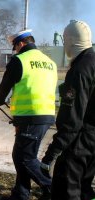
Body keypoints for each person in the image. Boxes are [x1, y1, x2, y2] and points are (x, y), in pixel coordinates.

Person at [0, 29, 58, 200]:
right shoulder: (50, 62)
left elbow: (5, 85)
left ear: (20, 44)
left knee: (25, 158)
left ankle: (51, 188)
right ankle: (20, 194)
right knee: (22, 156)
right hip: (46, 115)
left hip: (30, 116)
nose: (15, 51)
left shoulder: (19, 60)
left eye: (15, 47)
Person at [41, 20, 95, 200]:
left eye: (64, 40)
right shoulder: (93, 60)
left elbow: (72, 119)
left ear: (71, 40)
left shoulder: (80, 69)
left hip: (79, 142)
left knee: (66, 190)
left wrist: (53, 152)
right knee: (84, 189)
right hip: (92, 142)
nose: (64, 45)